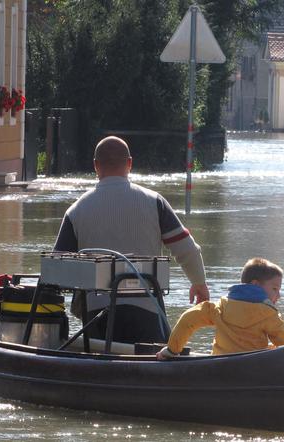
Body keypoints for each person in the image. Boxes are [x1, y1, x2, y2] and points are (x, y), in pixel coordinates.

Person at [53, 136, 210, 343]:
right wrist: (199, 283)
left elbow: (56, 269)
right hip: (147, 310)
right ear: (129, 164)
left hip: (96, 316)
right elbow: (187, 250)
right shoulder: (155, 202)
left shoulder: (76, 210)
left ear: (95, 166)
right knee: (159, 352)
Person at [156, 258, 284, 359]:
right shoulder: (268, 314)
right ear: (256, 285)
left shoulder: (220, 307)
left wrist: (172, 350)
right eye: (275, 289)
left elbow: (188, 319)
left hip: (218, 365)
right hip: (252, 369)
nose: (279, 295)